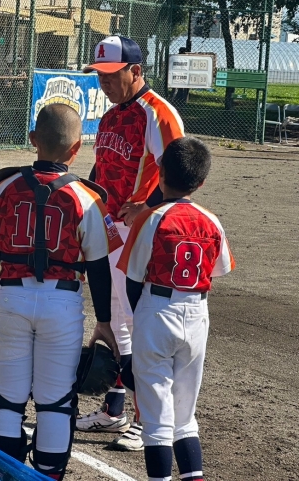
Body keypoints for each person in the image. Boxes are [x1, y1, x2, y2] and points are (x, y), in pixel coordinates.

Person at [0, 104, 121, 480]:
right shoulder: (87, 197)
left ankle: (4, 475)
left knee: (6, 399)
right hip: (62, 302)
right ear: (77, 148)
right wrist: (104, 321)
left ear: (32, 140)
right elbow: (99, 268)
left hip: (9, 298)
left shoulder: (2, 189)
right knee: (55, 402)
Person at [76, 35, 185, 452]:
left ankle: (146, 418)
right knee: (115, 321)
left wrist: (148, 206)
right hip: (110, 232)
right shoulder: (110, 117)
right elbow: (101, 169)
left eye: (111, 75)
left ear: (135, 71)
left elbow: (181, 171)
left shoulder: (158, 113)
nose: (103, 83)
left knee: (138, 325)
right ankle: (115, 409)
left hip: (140, 238)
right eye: (99, 75)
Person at [117, 137, 235, 481]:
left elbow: (132, 280)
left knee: (156, 420)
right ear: (202, 182)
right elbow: (219, 269)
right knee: (184, 418)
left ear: (161, 173)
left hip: (156, 308)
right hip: (197, 313)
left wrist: (142, 320)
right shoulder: (212, 221)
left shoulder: (150, 219)